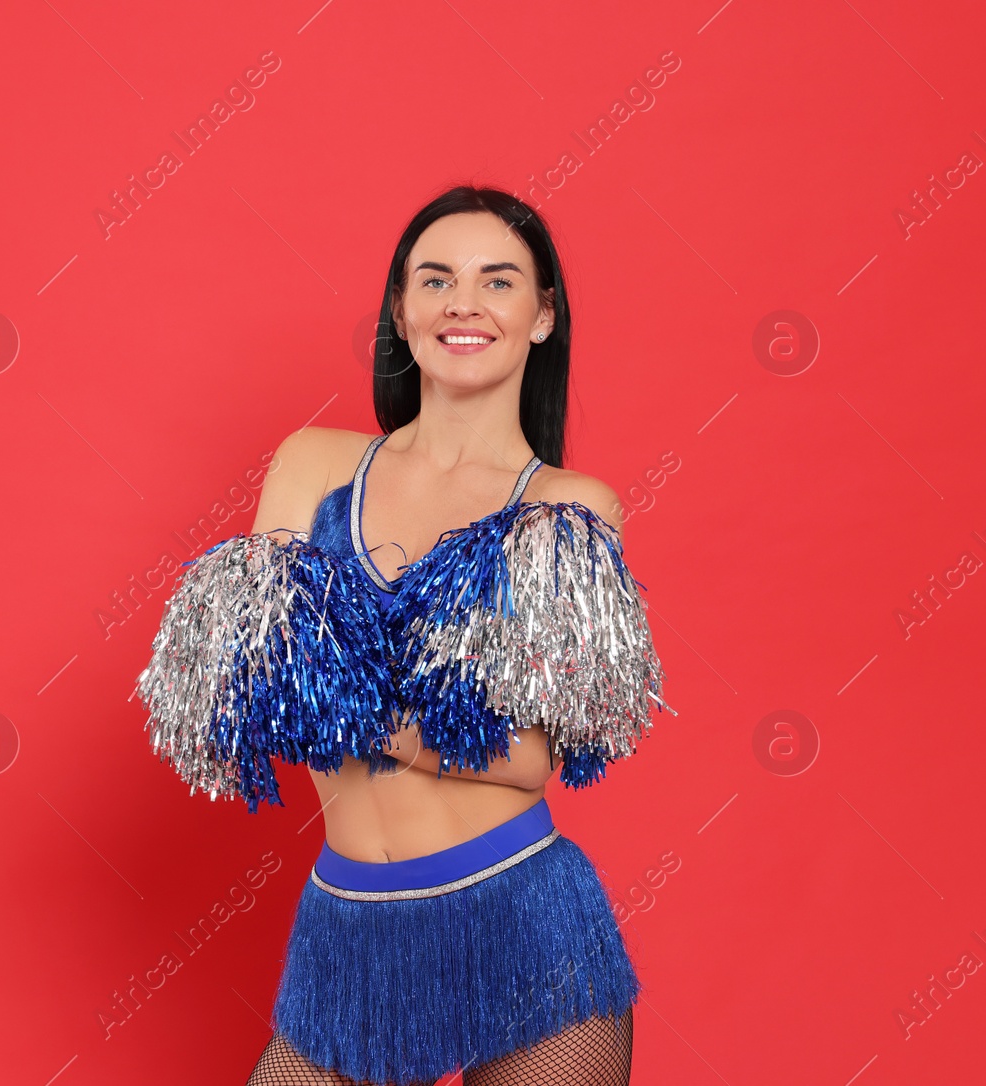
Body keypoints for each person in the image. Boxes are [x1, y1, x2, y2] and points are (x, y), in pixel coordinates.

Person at [135, 184, 672, 1085]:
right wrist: (396, 716)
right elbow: (249, 679)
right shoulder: (312, 464)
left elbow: (531, 759)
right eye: (436, 278)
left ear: (542, 317)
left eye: (498, 282)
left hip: (521, 923)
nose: (464, 302)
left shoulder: (568, 510)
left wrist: (345, 710)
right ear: (402, 309)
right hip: (347, 928)